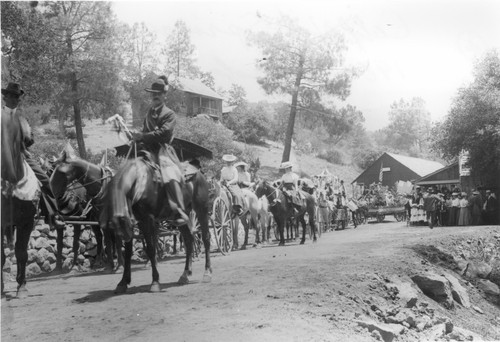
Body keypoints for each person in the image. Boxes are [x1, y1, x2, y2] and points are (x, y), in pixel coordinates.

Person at [1, 82, 64, 228]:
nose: (14, 99)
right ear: (5, 97)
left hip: (21, 155)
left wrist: (23, 143)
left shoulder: (22, 118)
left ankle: (52, 216)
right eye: (11, 96)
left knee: (45, 179)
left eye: (17, 97)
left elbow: (31, 139)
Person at [130, 77, 189, 227]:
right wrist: (137, 138)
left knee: (170, 174)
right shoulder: (149, 113)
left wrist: (143, 136)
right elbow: (144, 132)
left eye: (158, 93)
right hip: (148, 150)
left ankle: (179, 210)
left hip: (163, 151)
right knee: (129, 169)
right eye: (152, 93)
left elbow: (164, 133)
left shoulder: (169, 114)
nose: (154, 96)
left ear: (164, 95)